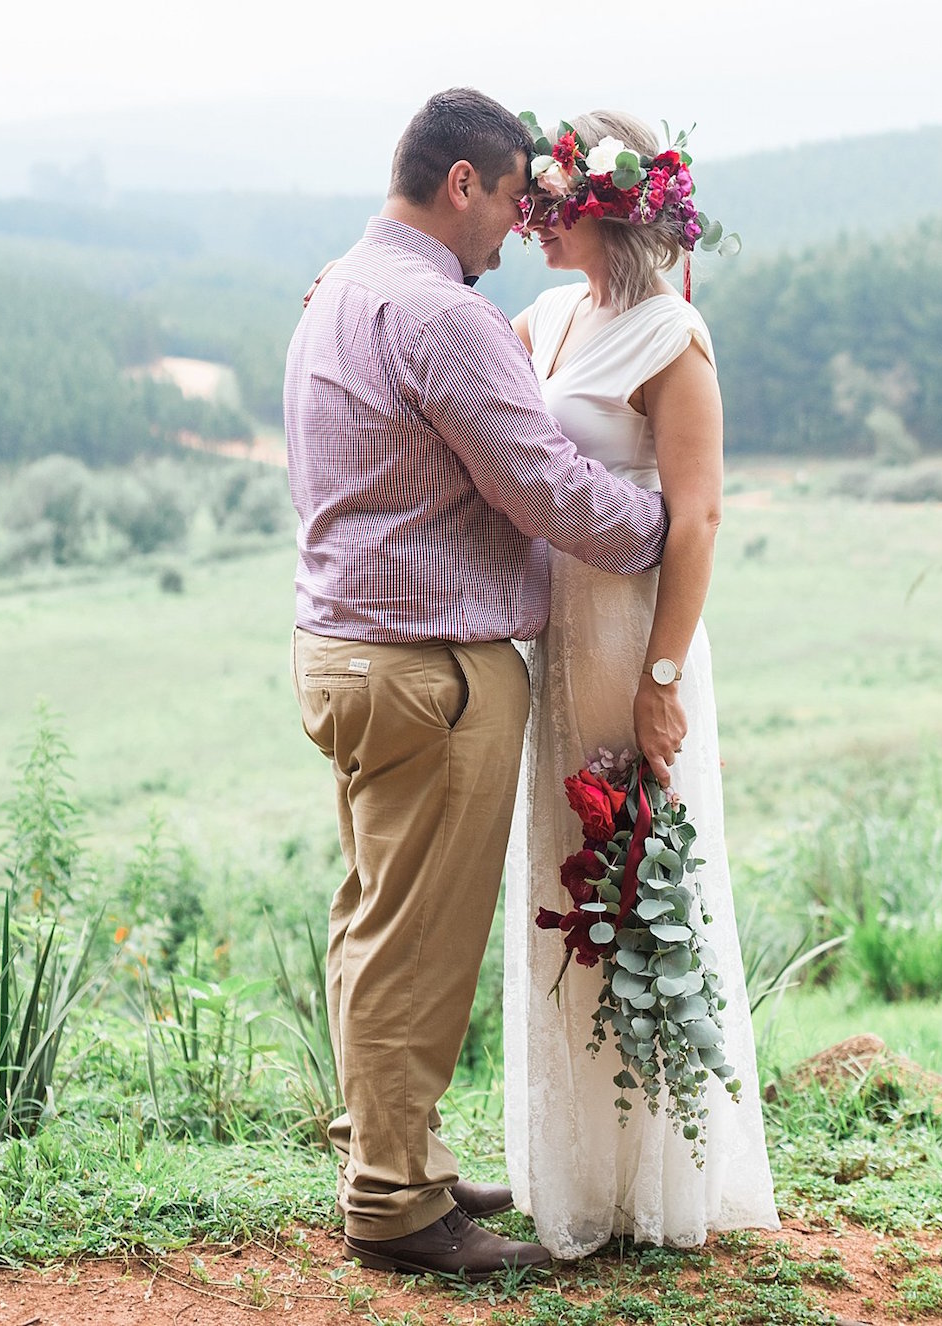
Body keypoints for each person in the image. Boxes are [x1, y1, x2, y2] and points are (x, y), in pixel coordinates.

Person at [283, 88, 676, 1280]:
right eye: (511, 198)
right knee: (419, 941)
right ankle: (396, 1206)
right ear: (463, 184)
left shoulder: (342, 287)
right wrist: (668, 526)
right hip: (428, 674)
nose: (517, 226)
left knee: (371, 921)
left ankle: (392, 1146)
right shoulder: (440, 316)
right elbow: (548, 490)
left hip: (343, 656)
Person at [502, 109, 779, 1257]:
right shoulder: (552, 313)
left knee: (633, 882)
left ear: (604, 210)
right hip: (557, 638)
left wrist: (663, 678)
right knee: (560, 886)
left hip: (631, 641)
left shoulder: (674, 338)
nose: (530, 222)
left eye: (549, 204)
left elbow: (699, 515)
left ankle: (657, 1181)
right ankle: (576, 1175)